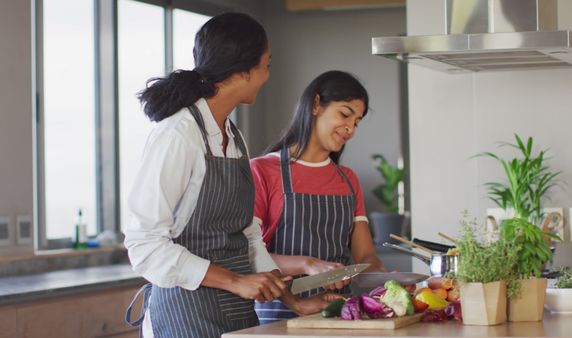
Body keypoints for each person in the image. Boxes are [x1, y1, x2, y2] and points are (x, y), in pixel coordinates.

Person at [123, 13, 335, 338]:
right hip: (185, 313)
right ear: (245, 71)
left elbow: (247, 234)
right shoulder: (179, 135)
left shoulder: (233, 137)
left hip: (236, 312)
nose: (267, 76)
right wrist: (236, 281)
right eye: (267, 65)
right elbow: (145, 244)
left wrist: (293, 301)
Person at [251, 70, 386, 324]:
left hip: (337, 315)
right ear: (315, 105)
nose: (350, 129)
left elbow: (365, 256)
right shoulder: (262, 171)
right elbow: (249, 254)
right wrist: (309, 264)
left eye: (356, 122)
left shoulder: (348, 179)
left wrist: (384, 278)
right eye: (345, 114)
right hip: (277, 317)